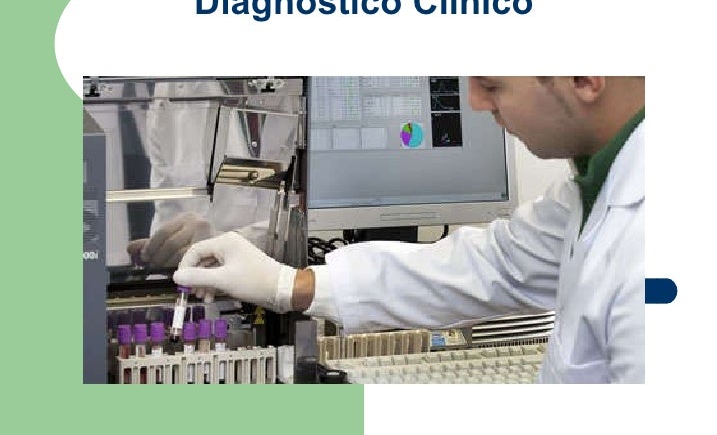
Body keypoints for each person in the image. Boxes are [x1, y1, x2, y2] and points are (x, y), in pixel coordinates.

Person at [173, 76, 645, 383]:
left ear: (584, 77)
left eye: (491, 85)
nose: (475, 102)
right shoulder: (594, 185)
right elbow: (495, 264)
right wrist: (287, 284)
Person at [126, 79, 299, 267]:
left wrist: (225, 245)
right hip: (198, 278)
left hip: (284, 276)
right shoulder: (173, 92)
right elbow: (168, 211)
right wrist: (161, 253)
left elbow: (310, 225)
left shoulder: (307, 94)